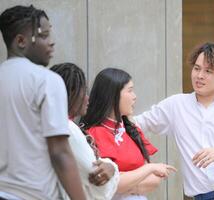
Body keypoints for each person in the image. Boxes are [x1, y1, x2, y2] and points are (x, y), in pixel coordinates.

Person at [134, 42, 214, 200]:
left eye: (208, 71)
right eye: (196, 68)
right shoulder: (176, 105)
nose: (199, 75)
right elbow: (136, 124)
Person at [0, 5, 86, 200]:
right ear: (21, 41)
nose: (52, 42)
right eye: (44, 35)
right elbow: (60, 153)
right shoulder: (47, 80)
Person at [80, 68, 176, 200]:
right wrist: (149, 169)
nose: (134, 96)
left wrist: (123, 185)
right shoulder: (95, 133)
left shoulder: (131, 129)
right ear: (113, 95)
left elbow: (154, 180)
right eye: (130, 90)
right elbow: (108, 182)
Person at [50, 63, 120, 200]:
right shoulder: (68, 129)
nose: (88, 98)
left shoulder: (42, 124)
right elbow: (99, 184)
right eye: (85, 91)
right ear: (71, 92)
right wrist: (113, 169)